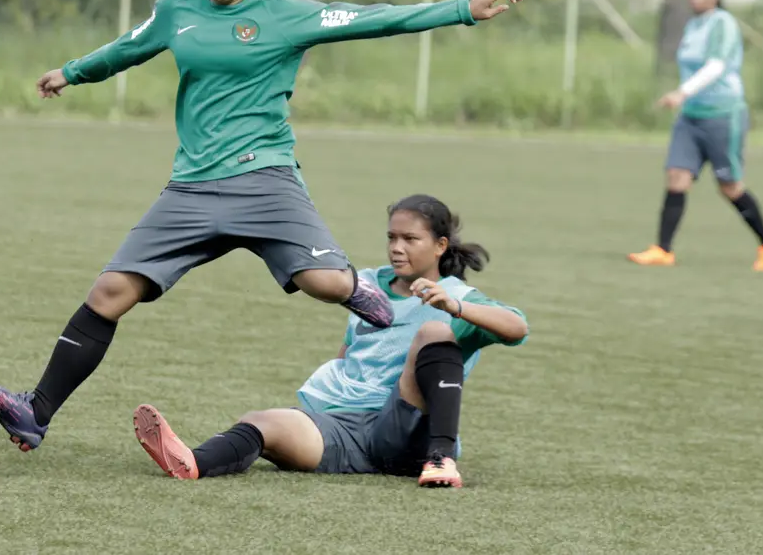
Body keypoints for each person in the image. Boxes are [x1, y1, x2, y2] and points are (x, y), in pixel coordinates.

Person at [0, 0, 523, 452]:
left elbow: (375, 20)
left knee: (325, 283)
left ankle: (356, 284)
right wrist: (72, 72)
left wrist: (463, 8)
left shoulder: (287, 16)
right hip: (191, 187)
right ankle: (34, 412)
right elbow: (128, 47)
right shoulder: (178, 7)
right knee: (110, 291)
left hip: (265, 182)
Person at [130, 194, 528, 488]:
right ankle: (190, 461)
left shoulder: (458, 296)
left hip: (406, 434)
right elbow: (352, 350)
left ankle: (440, 459)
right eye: (392, 237)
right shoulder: (369, 285)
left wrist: (455, 307)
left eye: (410, 239)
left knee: (434, 332)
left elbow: (516, 327)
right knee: (261, 422)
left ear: (440, 246)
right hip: (349, 430)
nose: (396, 247)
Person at [627, 0, 763, 270]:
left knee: (729, 186)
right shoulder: (693, 26)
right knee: (676, 176)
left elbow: (716, 67)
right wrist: (685, 98)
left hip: (723, 115)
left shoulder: (723, 24)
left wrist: (681, 92)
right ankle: (663, 249)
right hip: (691, 117)